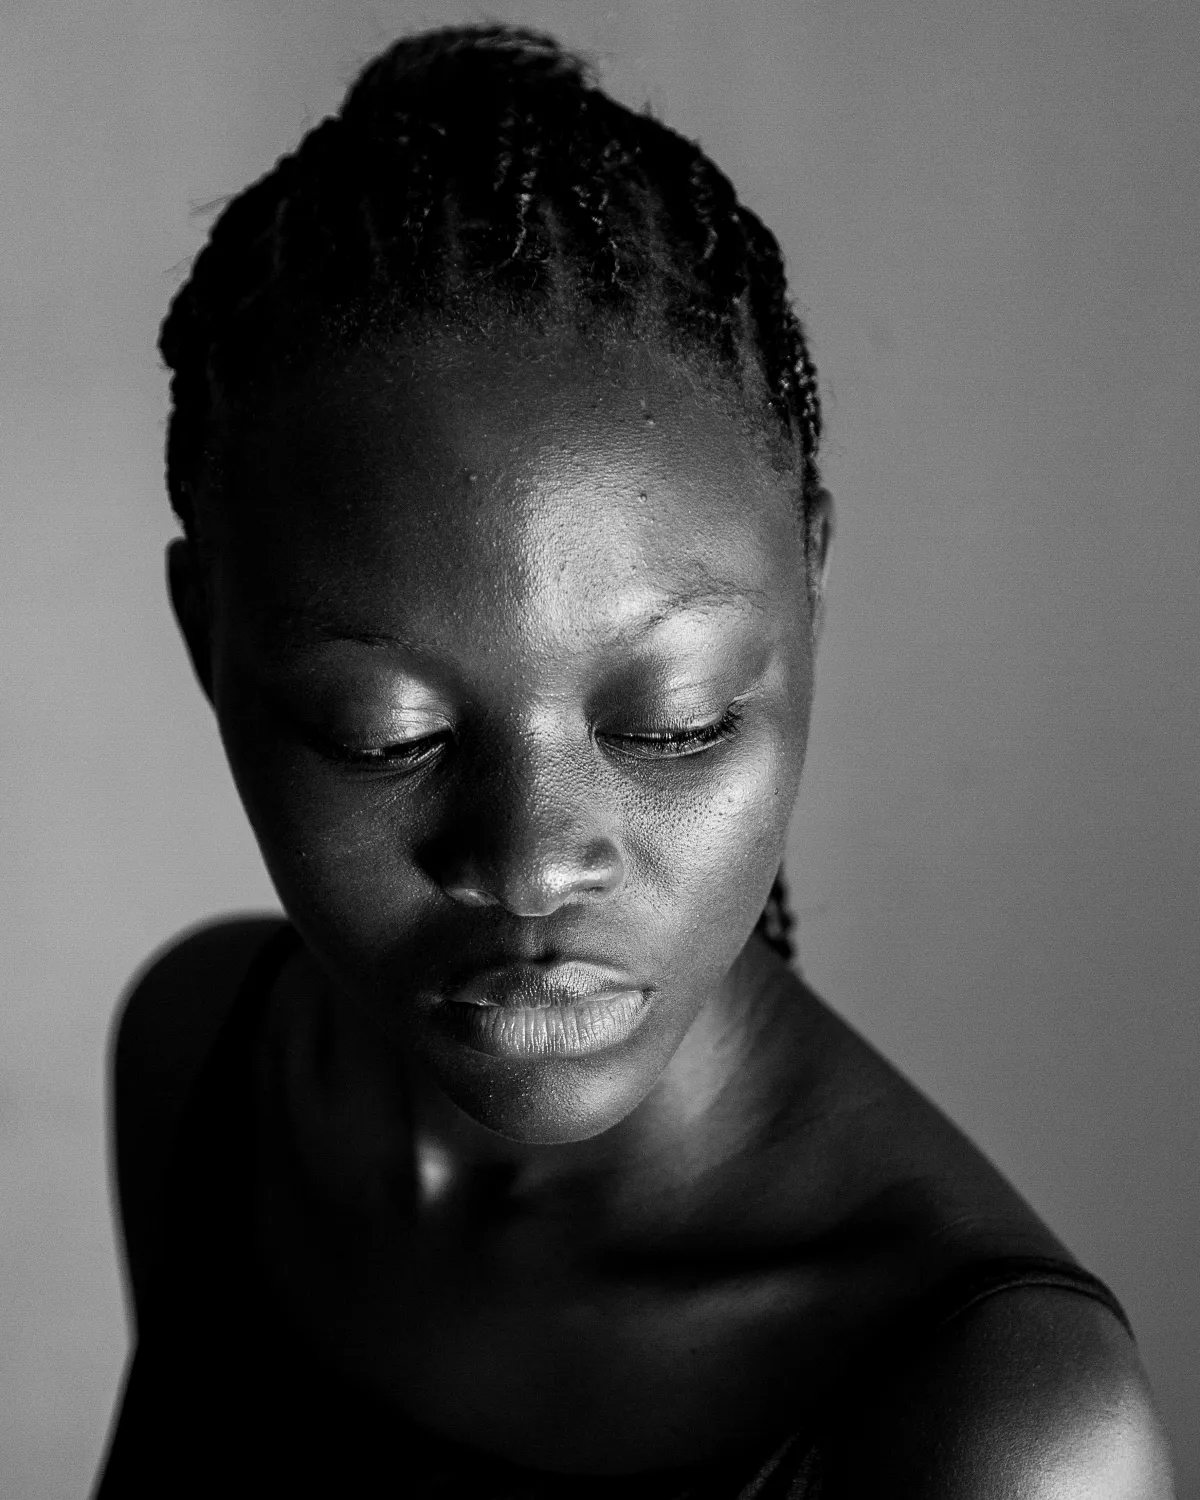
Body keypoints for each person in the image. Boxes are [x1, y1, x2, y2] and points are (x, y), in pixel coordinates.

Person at [95, 25, 1173, 1498]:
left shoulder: (1003, 1430)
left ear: (809, 588)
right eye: (385, 735)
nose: (534, 861)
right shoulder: (204, 1059)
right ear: (202, 634)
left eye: (674, 722)